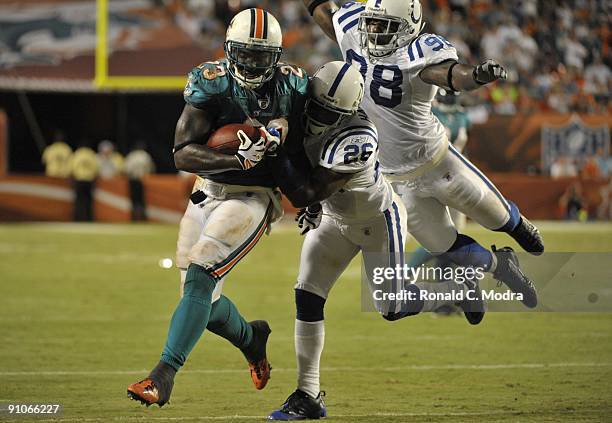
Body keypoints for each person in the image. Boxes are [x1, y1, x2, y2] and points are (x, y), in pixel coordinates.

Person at [266, 61, 485, 421]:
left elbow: (307, 189)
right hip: (335, 219)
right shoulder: (302, 106)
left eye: (329, 112)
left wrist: (277, 153)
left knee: (392, 308)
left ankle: (453, 293)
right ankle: (308, 394)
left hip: (376, 223)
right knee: (307, 294)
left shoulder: (358, 136)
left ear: (349, 110)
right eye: (316, 107)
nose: (319, 116)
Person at [304, 0, 541, 309]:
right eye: (372, 24)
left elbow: (451, 75)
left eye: (385, 27)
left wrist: (477, 77)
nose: (374, 33)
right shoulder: (353, 29)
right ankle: (502, 265)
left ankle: (519, 226)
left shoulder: (419, 53)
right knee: (446, 245)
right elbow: (325, 15)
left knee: (499, 218)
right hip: (395, 178)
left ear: (410, 28)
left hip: (437, 162)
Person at [126, 8, 309, 407]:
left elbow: (307, 145)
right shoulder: (212, 83)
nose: (253, 63)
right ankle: (251, 339)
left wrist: (308, 192)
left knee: (201, 273)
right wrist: (235, 159)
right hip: (207, 189)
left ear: (277, 56)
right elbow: (182, 153)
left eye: (262, 55)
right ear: (229, 50)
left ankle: (163, 375)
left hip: (254, 197)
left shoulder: (294, 87)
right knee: (200, 303)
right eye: (245, 53)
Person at [124, 143, 155, 221]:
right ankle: (142, 218)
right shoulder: (145, 155)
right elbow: (151, 168)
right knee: (142, 200)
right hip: (143, 180)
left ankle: (134, 217)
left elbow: (127, 168)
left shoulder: (131, 155)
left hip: (133, 179)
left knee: (134, 200)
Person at [71, 140, 98, 221]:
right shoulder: (91, 154)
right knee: (88, 200)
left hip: (79, 179)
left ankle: (78, 218)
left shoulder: (77, 153)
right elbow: (96, 168)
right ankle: (89, 218)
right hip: (89, 180)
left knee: (79, 200)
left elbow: (72, 167)